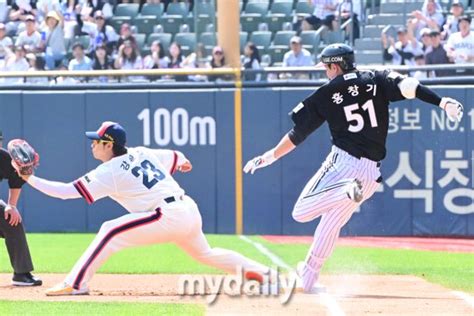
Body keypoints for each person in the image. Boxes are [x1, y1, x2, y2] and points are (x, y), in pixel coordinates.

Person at [243, 43, 463, 293]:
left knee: (301, 212)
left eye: (326, 67)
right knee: (331, 223)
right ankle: (309, 277)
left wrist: (270, 156)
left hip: (343, 166)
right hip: (370, 175)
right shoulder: (376, 78)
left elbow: (298, 133)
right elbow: (410, 87)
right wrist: (442, 102)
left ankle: (345, 190)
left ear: (335, 66)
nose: (325, 72)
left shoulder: (327, 92)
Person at [16, 121, 271, 295]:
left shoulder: (110, 170)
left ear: (109, 144)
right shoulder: (141, 152)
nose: (92, 144)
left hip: (168, 215)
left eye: (96, 141)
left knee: (109, 230)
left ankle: (76, 283)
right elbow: (176, 156)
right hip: (188, 209)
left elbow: (65, 192)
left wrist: (28, 178)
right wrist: (183, 162)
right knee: (205, 253)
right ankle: (263, 273)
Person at [0, 131, 42, 286]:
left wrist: (11, 206)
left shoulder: (4, 158)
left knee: (12, 221)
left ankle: (21, 274)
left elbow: (15, 180)